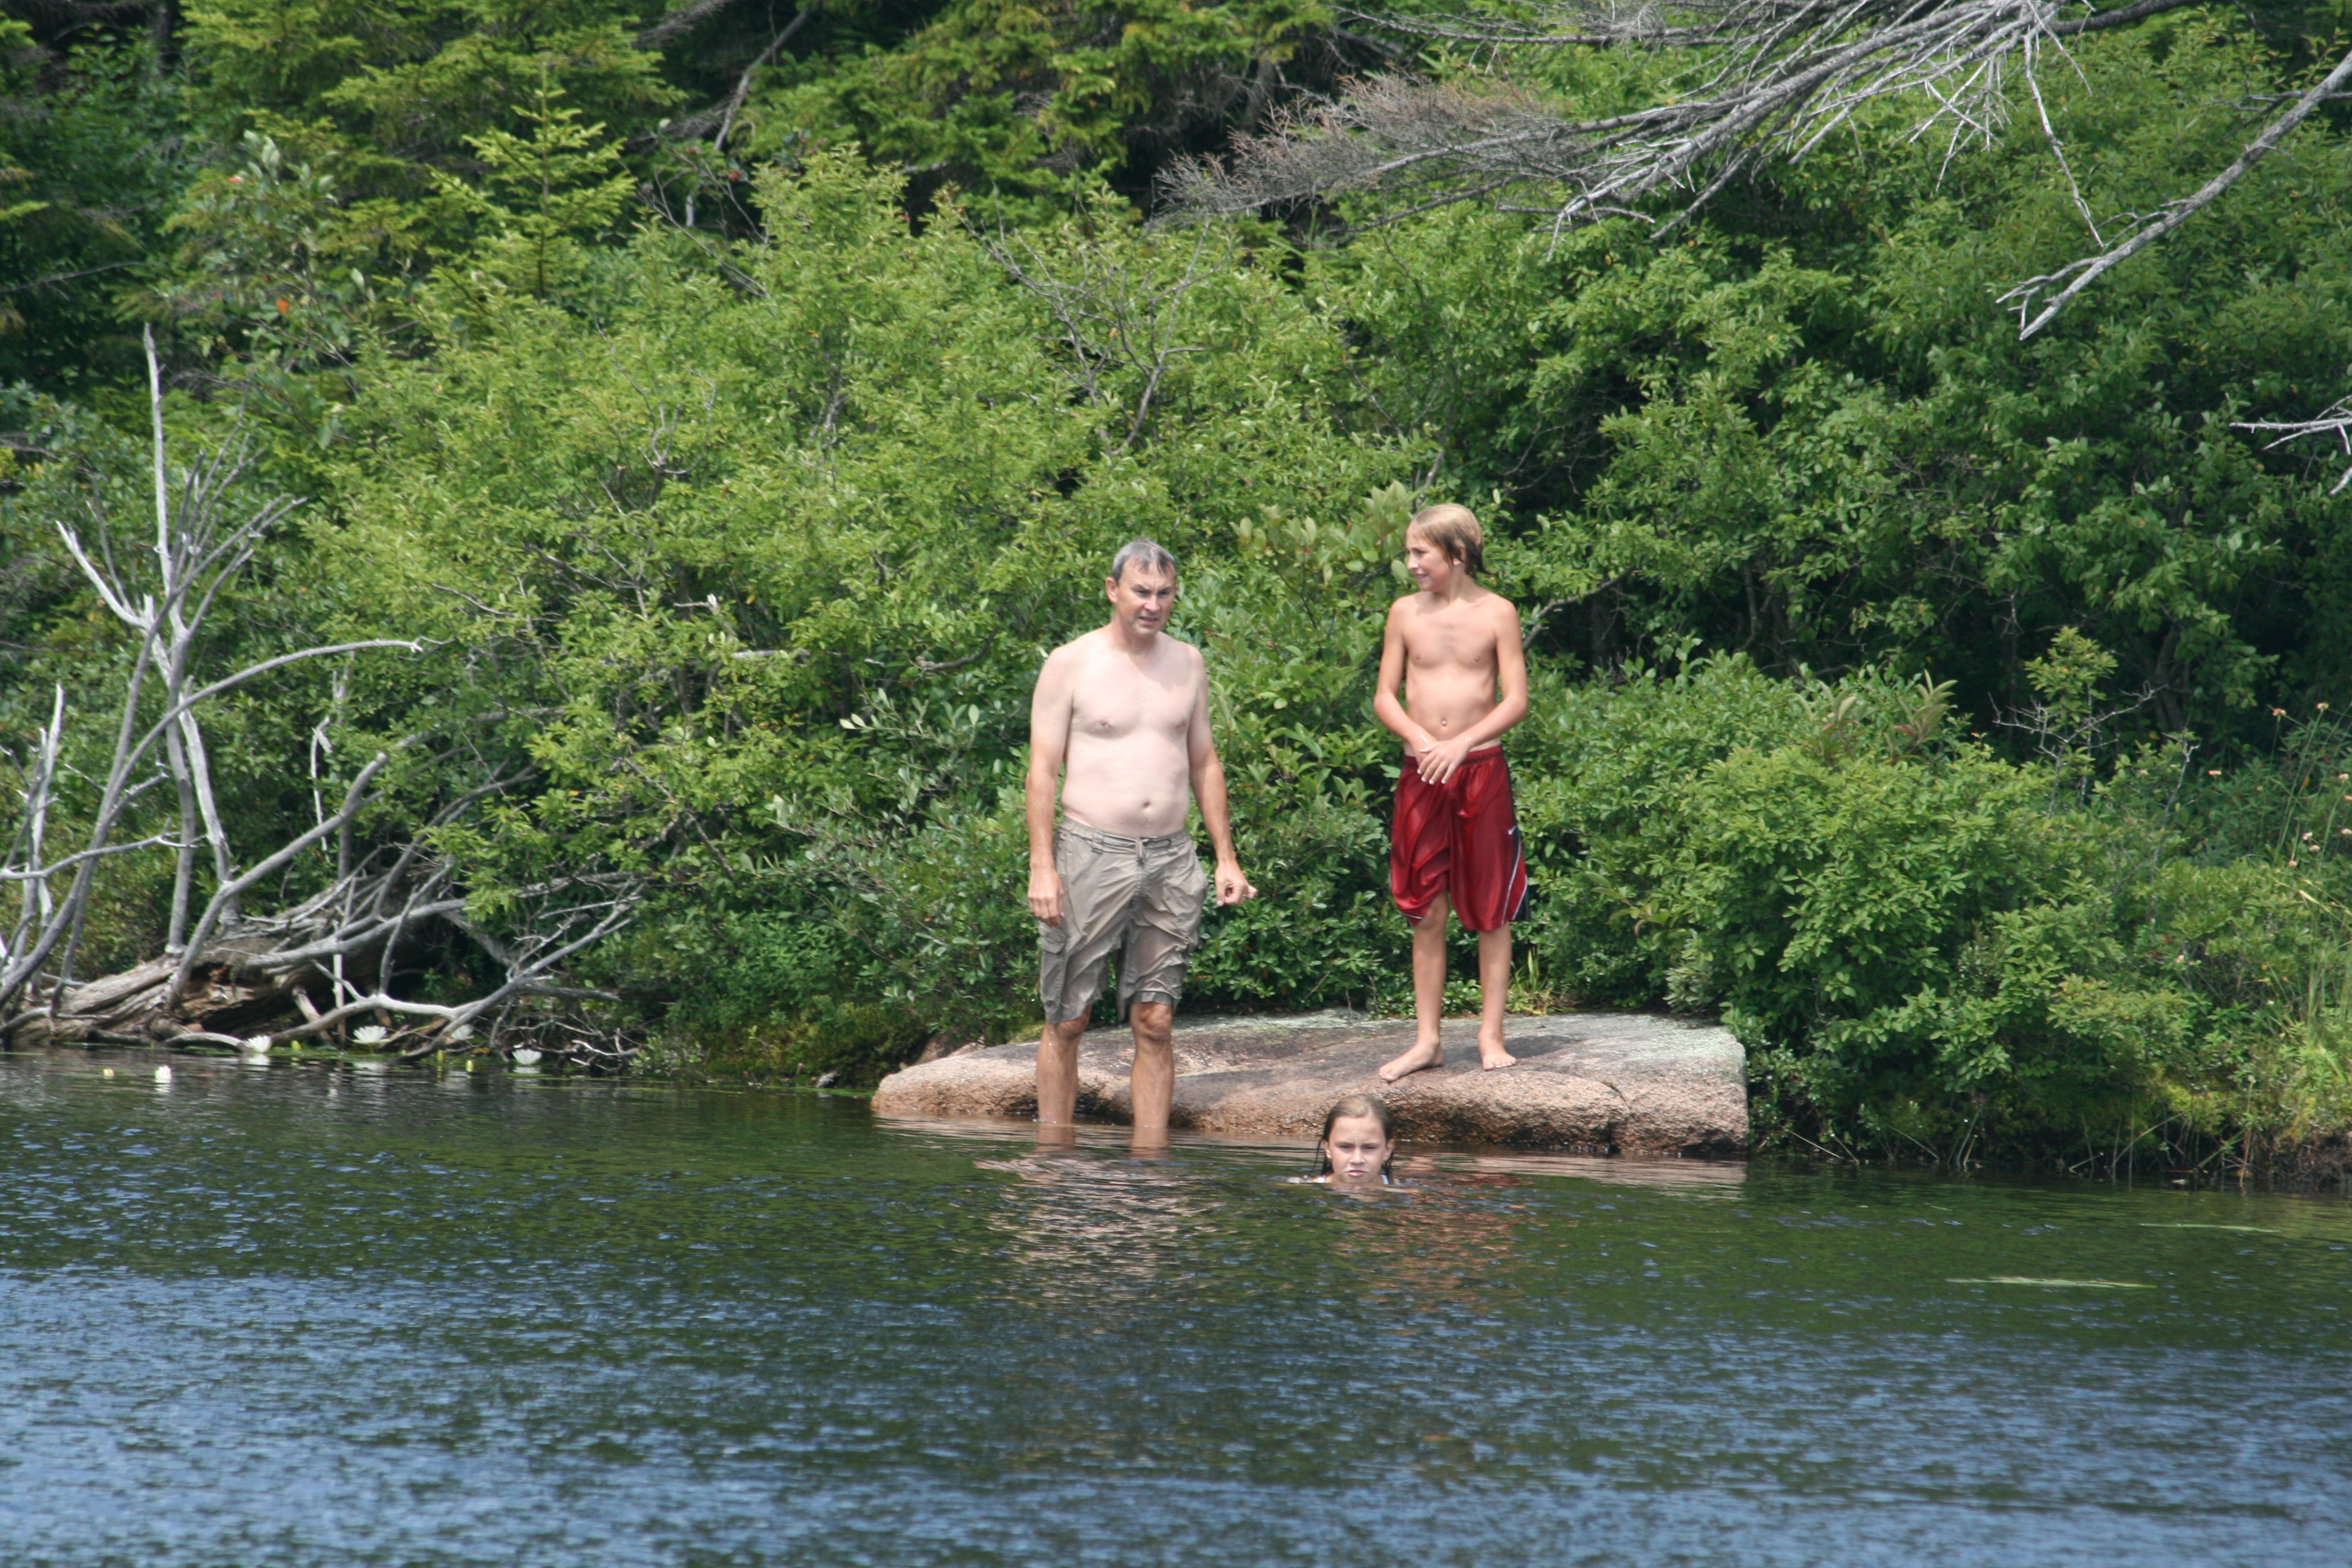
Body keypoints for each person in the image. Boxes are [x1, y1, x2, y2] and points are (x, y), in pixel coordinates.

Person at [1025, 538, 1257, 1140]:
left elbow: (1204, 760)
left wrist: (1226, 858)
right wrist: (1042, 868)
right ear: (1113, 591)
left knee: (1155, 1020)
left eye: (1164, 593)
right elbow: (1042, 772)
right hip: (1090, 852)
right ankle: (1054, 1157)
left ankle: (1150, 1164)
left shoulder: (1188, 662)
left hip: (1171, 857)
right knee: (1069, 1018)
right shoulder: (1071, 663)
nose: (1152, 604)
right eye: (1141, 592)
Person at [1371, 503, 1530, 1082]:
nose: (1411, 564)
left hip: (1480, 768)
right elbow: (1385, 696)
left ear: (1458, 554)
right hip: (1422, 772)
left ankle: (1491, 1034)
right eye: (1408, 553)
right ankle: (1427, 1041)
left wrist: (1462, 743)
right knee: (1426, 907)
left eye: (1421, 553)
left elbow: (1516, 699)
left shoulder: (1497, 612)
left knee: (1491, 908)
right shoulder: (1404, 613)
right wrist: (1420, 739)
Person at [1304, 1093, 1399, 1186]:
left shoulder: (1402, 1192)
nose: (1357, 1160)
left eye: (1369, 1148)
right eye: (1345, 1147)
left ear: (1388, 1150)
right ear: (1328, 1148)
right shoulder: (1309, 1189)